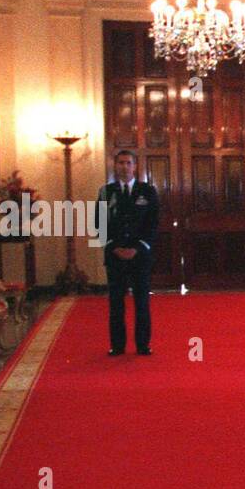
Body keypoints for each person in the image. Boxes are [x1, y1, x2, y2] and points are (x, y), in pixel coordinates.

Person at [96, 150, 158, 355]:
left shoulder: (147, 191)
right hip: (115, 255)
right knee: (116, 303)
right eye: (120, 162)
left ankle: (143, 345)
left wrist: (137, 248)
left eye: (128, 163)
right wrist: (114, 246)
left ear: (135, 166)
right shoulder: (106, 192)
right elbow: (99, 224)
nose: (124, 166)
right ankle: (117, 346)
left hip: (140, 256)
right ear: (115, 166)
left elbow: (153, 223)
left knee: (142, 302)